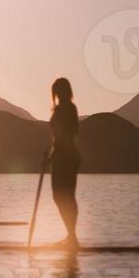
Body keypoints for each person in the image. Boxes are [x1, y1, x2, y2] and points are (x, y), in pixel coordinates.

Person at [47, 78, 81, 247]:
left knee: (63, 196)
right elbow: (60, 138)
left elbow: (63, 137)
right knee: (64, 196)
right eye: (56, 91)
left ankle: (72, 237)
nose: (58, 94)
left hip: (65, 158)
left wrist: (51, 158)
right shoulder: (66, 108)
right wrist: (52, 156)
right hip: (67, 157)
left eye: (60, 91)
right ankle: (71, 236)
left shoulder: (65, 109)